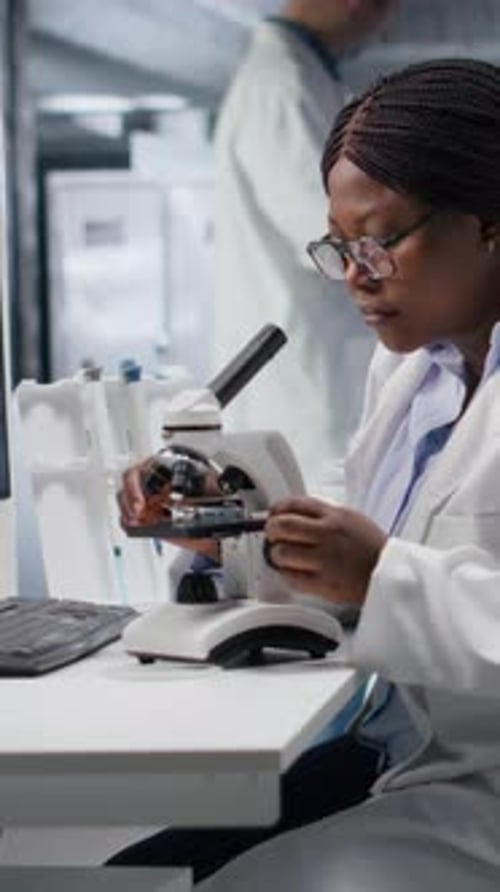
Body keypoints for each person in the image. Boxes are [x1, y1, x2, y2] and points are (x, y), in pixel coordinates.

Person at [112, 58, 500, 890]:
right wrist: (235, 533)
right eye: (339, 246)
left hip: (486, 801)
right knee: (138, 871)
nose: (356, 275)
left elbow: (391, 578)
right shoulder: (412, 375)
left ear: (489, 224)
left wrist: (378, 575)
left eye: (381, 241)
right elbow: (368, 569)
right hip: (396, 748)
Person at [212, 0, 398, 492]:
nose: (387, 19)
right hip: (303, 395)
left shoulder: (301, 78)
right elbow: (330, 235)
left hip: (319, 383)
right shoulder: (281, 82)